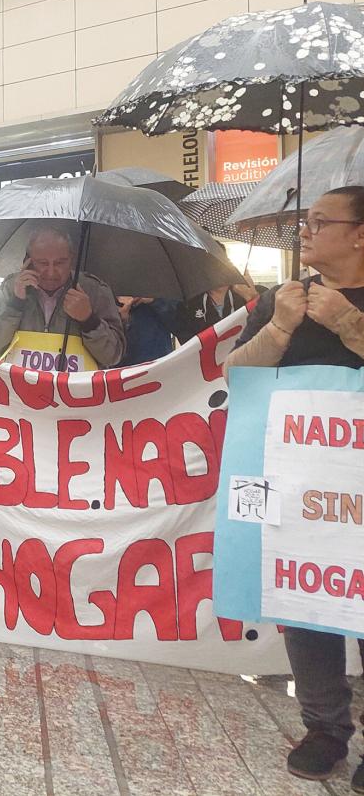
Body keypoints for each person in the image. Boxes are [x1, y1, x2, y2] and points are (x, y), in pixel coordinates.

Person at [225, 187, 364, 787]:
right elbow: (237, 375)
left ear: (359, 234)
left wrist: (349, 324)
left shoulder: (342, 304)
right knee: (308, 601)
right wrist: (280, 327)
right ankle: (325, 728)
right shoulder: (280, 299)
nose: (305, 232)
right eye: (304, 222)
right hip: (299, 482)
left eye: (320, 222)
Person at [0, 225, 125, 371]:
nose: (51, 272)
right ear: (28, 261)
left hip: (76, 391)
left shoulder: (95, 290)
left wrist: (89, 320)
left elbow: (113, 356)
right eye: (43, 263)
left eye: (60, 263)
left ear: (71, 259)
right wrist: (15, 303)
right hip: (20, 391)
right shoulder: (10, 287)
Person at [115, 296, 179, 366]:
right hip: (120, 368)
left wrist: (154, 299)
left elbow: (182, 326)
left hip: (159, 362)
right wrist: (120, 320)